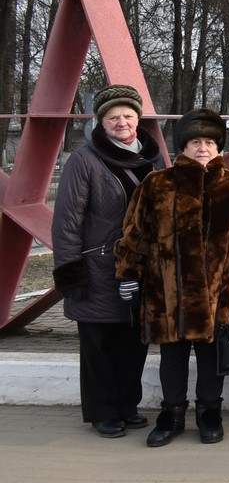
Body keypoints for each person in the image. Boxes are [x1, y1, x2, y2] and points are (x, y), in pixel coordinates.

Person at [115, 109, 229, 447]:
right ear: (183, 146)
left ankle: (209, 413)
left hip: (220, 289)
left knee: (211, 354)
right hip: (167, 292)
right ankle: (171, 415)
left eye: (210, 142)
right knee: (172, 355)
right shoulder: (157, 183)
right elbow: (135, 233)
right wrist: (128, 274)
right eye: (196, 141)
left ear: (219, 147)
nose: (203, 147)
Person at [52, 84, 163, 438]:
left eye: (128, 116)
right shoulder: (84, 160)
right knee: (99, 344)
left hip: (144, 267)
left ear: (138, 119)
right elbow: (67, 220)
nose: (122, 122)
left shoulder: (153, 158)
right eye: (113, 117)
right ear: (101, 122)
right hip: (99, 268)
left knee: (135, 341)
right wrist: (71, 271)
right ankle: (102, 411)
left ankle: (127, 406)